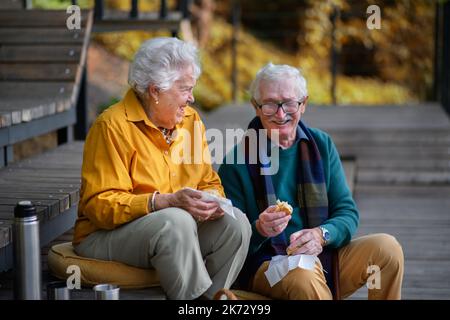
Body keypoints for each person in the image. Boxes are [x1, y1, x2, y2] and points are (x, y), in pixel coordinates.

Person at [73, 37, 251, 300]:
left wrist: (213, 200)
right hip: (105, 235)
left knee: (236, 224)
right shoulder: (111, 126)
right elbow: (99, 206)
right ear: (155, 91)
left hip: (174, 229)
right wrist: (160, 202)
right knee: (175, 221)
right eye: (185, 89)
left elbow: (208, 180)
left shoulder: (191, 121)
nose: (191, 98)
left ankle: (209, 299)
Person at [218, 63, 404, 300]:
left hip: (322, 258)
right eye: (270, 104)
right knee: (302, 275)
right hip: (266, 266)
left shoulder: (321, 144)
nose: (280, 113)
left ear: (303, 104)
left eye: (289, 103)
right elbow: (228, 241)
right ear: (256, 107)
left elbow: (346, 212)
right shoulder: (236, 162)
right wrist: (259, 229)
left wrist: (321, 234)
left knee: (386, 250)